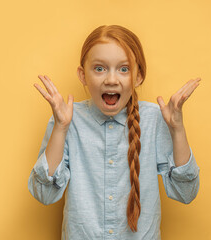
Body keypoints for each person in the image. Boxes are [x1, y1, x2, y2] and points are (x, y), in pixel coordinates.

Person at [28, 25, 200, 239]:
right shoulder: (66, 119)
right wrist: (61, 128)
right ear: (83, 75)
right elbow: (44, 194)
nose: (111, 79)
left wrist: (177, 130)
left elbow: (185, 193)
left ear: (138, 76)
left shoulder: (155, 119)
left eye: (124, 69)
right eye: (99, 68)